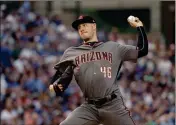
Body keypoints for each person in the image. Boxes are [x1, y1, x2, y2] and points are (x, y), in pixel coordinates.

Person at [50, 15, 148, 125]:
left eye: (84, 25)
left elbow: (142, 50)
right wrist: (56, 87)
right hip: (89, 107)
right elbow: (59, 79)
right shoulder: (72, 53)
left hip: (113, 105)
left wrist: (140, 26)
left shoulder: (113, 47)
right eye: (79, 27)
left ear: (94, 26)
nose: (81, 28)